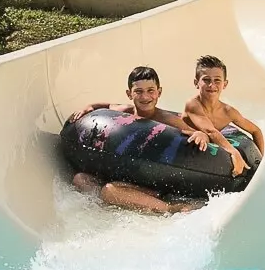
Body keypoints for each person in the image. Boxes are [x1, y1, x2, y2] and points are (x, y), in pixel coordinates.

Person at [70, 66, 209, 214]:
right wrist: (89, 106)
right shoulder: (125, 112)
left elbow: (194, 133)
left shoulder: (166, 120)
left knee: (109, 191)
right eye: (138, 91)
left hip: (151, 179)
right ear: (129, 94)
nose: (145, 97)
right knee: (80, 179)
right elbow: (106, 106)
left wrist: (202, 135)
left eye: (150, 90)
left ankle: (170, 207)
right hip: (126, 173)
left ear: (159, 92)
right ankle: (123, 199)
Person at [182, 56, 265, 178]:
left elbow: (256, 130)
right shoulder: (193, 104)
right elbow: (210, 131)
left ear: (224, 84)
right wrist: (234, 152)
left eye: (217, 80)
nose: (212, 85)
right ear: (196, 83)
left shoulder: (228, 112)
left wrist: (261, 163)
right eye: (206, 80)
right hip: (187, 149)